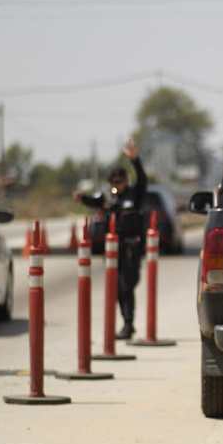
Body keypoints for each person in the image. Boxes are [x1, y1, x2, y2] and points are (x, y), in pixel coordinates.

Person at [75, 140, 147, 339]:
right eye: (114, 181)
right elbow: (95, 201)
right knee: (116, 289)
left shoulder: (135, 194)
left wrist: (134, 159)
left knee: (127, 286)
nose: (117, 184)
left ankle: (129, 322)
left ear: (125, 180)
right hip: (114, 250)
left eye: (120, 179)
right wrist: (82, 198)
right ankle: (126, 323)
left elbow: (142, 178)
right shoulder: (109, 198)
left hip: (132, 247)